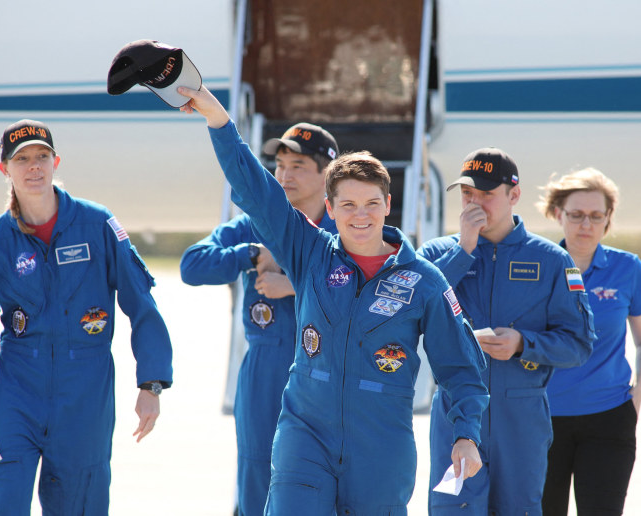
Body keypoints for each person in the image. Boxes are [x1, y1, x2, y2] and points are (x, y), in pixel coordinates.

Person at [176, 85, 489, 516]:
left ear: (388, 205)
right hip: (306, 433)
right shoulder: (309, 251)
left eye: (371, 204)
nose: (360, 215)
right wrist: (219, 121)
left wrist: (466, 434)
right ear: (330, 206)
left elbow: (462, 369)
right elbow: (256, 191)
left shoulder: (424, 281)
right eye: (348, 205)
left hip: (381, 444)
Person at [0, 119, 174, 515]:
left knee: (80, 506)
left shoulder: (98, 224)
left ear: (56, 161)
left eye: (42, 157)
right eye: (22, 159)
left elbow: (141, 302)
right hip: (16, 392)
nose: (34, 167)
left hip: (84, 395)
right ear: (5, 169)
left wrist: (150, 383)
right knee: (5, 504)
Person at [419, 147, 596, 515]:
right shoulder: (436, 255)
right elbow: (411, 312)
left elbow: (578, 344)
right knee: (454, 507)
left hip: (522, 416)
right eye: (468, 193)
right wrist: (464, 249)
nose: (475, 202)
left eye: (486, 193)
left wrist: (523, 344)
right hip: (457, 412)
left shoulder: (551, 260)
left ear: (513, 195)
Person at [180, 123, 340, 516]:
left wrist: (296, 286)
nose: (284, 175)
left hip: (327, 371)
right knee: (257, 475)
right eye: (280, 164)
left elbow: (367, 294)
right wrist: (250, 254)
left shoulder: (346, 230)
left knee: (324, 476)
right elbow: (191, 265)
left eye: (298, 165)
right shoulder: (254, 225)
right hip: (265, 369)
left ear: (327, 176)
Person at [537, 168, 641, 516]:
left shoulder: (627, 267)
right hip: (542, 421)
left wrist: (637, 396)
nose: (585, 225)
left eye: (596, 216)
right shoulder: (537, 265)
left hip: (609, 418)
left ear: (608, 219)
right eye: (576, 215)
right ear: (558, 213)